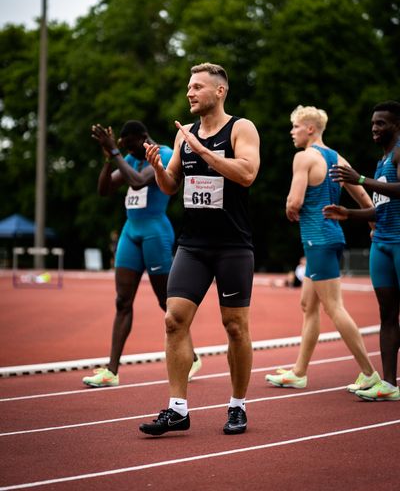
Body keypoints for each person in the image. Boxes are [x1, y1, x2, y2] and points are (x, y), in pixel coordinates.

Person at [139, 62, 260, 436]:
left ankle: (237, 406)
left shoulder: (241, 128)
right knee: (173, 319)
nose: (189, 93)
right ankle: (178, 409)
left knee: (235, 327)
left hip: (232, 245)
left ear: (219, 91)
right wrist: (159, 169)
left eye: (196, 87)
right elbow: (172, 186)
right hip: (192, 244)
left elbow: (247, 173)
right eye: (188, 87)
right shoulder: (183, 134)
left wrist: (204, 151)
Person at [266, 105, 380, 393]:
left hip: (319, 240)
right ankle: (299, 372)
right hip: (329, 238)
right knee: (308, 305)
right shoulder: (336, 158)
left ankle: (370, 373)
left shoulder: (304, 158)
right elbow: (362, 194)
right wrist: (371, 221)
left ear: (310, 129)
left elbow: (294, 201)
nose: (291, 132)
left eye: (295, 127)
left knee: (334, 307)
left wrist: (291, 208)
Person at [82, 120, 201, 388]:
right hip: (130, 232)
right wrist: (107, 159)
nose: (130, 154)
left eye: (131, 148)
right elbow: (104, 190)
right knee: (122, 301)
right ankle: (111, 370)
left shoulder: (165, 154)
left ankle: (191, 356)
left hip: (155, 233)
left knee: (167, 304)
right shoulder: (129, 157)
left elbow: (136, 182)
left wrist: (115, 153)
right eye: (125, 150)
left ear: (144, 138)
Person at [324, 100, 400, 401]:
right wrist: (348, 213)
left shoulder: (398, 153)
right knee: (388, 315)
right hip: (381, 243)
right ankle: (390, 384)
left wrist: (358, 180)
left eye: (380, 123)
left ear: (396, 125)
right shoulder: (382, 162)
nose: (374, 128)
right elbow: (381, 209)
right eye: (372, 123)